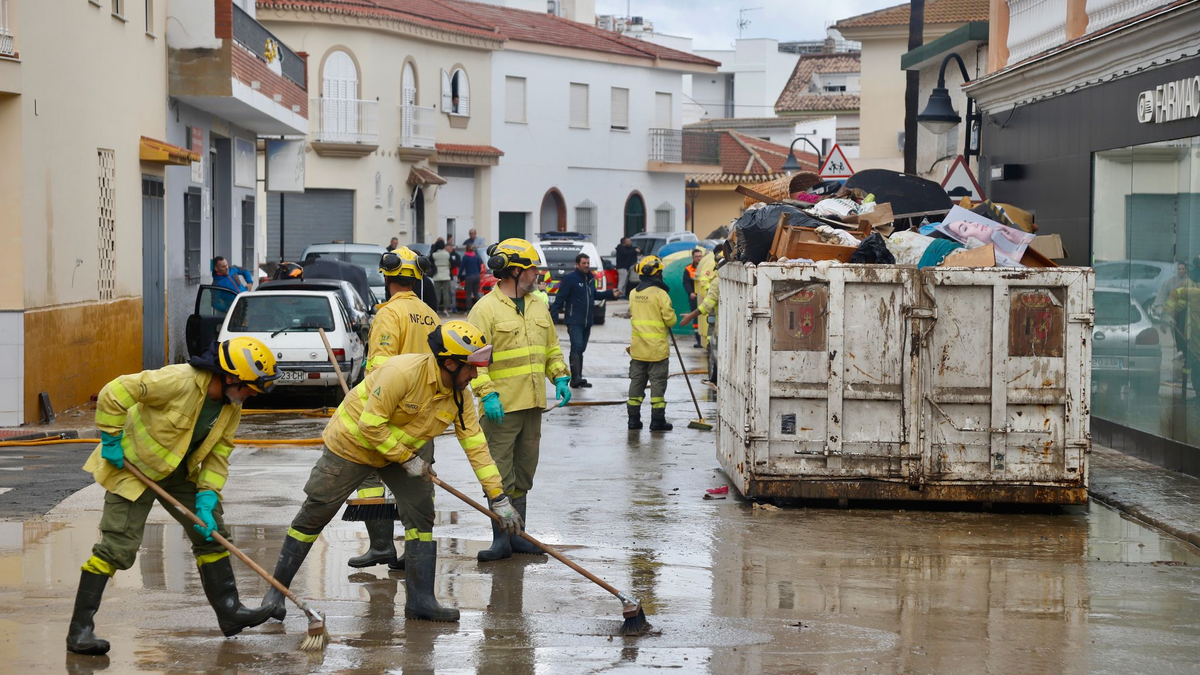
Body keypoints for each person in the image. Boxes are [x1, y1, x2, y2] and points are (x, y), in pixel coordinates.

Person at [261, 321, 520, 623]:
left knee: (421, 513)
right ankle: (275, 592)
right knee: (315, 512)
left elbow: (476, 446)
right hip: (352, 445)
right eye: (470, 368)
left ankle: (421, 601)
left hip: (401, 454)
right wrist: (407, 458)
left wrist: (498, 497)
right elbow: (370, 425)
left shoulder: (460, 397)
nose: (474, 376)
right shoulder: (401, 373)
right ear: (449, 363)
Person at [66, 337, 280, 655]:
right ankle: (80, 630)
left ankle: (230, 612)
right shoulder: (178, 380)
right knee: (116, 547)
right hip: (132, 468)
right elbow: (117, 391)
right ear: (231, 377)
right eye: (250, 387)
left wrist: (207, 498)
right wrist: (111, 437)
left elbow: (218, 453)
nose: (251, 395)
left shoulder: (231, 407)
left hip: (179, 473)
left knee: (212, 534)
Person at [468, 238, 570, 562]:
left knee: (524, 473)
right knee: (499, 475)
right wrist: (487, 395)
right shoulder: (485, 309)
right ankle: (501, 538)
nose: (537, 274)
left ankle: (518, 535)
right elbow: (472, 361)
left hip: (532, 404)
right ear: (513, 271)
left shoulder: (539, 304)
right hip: (501, 408)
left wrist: (560, 376)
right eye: (531, 268)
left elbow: (550, 347)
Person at [344, 247, 440, 574]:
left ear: (387, 278)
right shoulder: (430, 314)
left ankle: (381, 545)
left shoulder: (389, 313)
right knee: (415, 488)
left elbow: (381, 369)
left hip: (390, 414)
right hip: (422, 418)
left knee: (371, 475)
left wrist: (366, 406)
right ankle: (413, 557)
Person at [551, 253, 619, 388]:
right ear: (577, 265)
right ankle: (575, 378)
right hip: (574, 320)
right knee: (576, 347)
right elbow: (560, 298)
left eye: (588, 263)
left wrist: (610, 293)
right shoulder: (570, 279)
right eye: (584, 263)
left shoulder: (591, 279)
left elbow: (594, 295)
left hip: (587, 321)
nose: (586, 265)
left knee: (581, 349)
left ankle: (578, 377)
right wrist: (554, 317)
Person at [625, 256, 676, 432]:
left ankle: (633, 420)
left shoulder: (633, 293)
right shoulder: (661, 294)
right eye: (660, 271)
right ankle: (657, 421)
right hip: (657, 351)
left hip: (638, 350)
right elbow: (670, 320)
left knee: (636, 383)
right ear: (656, 273)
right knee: (658, 385)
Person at [1156, 262, 1193, 357]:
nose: (1181, 271)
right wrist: (1160, 309)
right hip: (1175, 314)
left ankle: (1185, 351)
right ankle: (1180, 350)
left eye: (1183, 269)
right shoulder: (1169, 282)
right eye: (1179, 269)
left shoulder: (1190, 282)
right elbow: (1162, 296)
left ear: (1186, 270)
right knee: (1177, 332)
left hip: (1188, 313)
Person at [683, 247, 704, 348]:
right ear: (693, 258)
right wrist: (690, 292)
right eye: (696, 257)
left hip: (704, 297)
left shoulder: (705, 267)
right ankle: (698, 339)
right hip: (694, 297)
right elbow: (686, 282)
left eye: (700, 256)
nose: (698, 258)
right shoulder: (688, 269)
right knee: (695, 318)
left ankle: (705, 339)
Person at [459, 244, 484, 311]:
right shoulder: (476, 257)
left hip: (469, 276)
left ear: (466, 249)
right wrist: (478, 273)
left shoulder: (465, 257)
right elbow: (479, 267)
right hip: (477, 276)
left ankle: (469, 309)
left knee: (468, 294)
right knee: (476, 293)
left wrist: (459, 276)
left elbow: (462, 268)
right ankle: (481, 307)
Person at [431, 244, 454, 315]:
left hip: (437, 275)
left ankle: (436, 309)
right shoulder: (447, 254)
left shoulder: (434, 255)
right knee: (445, 293)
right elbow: (452, 263)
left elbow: (430, 263)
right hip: (446, 275)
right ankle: (445, 309)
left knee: (437, 294)